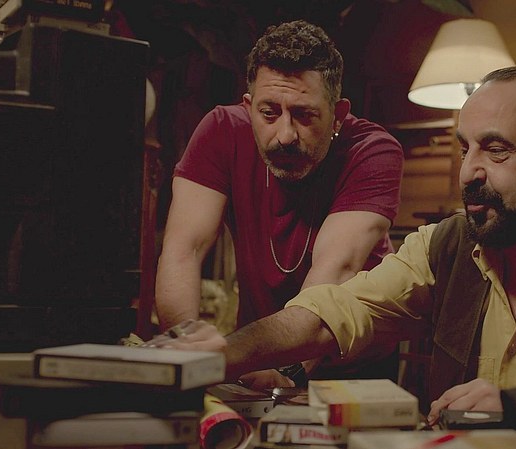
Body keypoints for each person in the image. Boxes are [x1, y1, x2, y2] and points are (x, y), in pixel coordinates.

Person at [151, 66, 516, 424]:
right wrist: (224, 353)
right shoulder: (447, 244)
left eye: (496, 150)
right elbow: (335, 311)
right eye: (465, 149)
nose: (468, 172)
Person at [154, 20, 404, 387]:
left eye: (304, 115)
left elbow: (336, 270)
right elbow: (183, 249)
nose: (285, 135)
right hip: (258, 354)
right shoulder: (221, 130)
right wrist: (186, 349)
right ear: (249, 106)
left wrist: (288, 369)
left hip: (351, 365)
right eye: (269, 113)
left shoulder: (372, 151)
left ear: (337, 114)